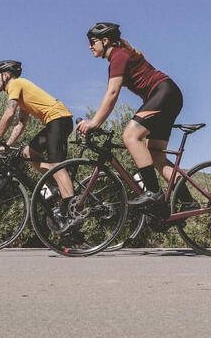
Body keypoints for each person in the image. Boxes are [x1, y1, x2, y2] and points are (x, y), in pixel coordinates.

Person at [76, 22, 195, 213]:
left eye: (92, 42)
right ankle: (188, 201)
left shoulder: (118, 56)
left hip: (163, 93)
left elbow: (112, 93)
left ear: (105, 41)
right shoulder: (121, 55)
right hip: (168, 95)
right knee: (156, 155)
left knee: (130, 136)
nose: (90, 46)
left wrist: (94, 122)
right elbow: (112, 93)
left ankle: (153, 193)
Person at [0, 60, 76, 231]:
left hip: (59, 119)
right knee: (28, 153)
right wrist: (8, 145)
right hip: (55, 121)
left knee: (57, 166)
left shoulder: (15, 84)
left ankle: (71, 209)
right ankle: (59, 184)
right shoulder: (22, 94)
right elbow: (20, 123)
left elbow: (9, 113)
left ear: (6, 76)